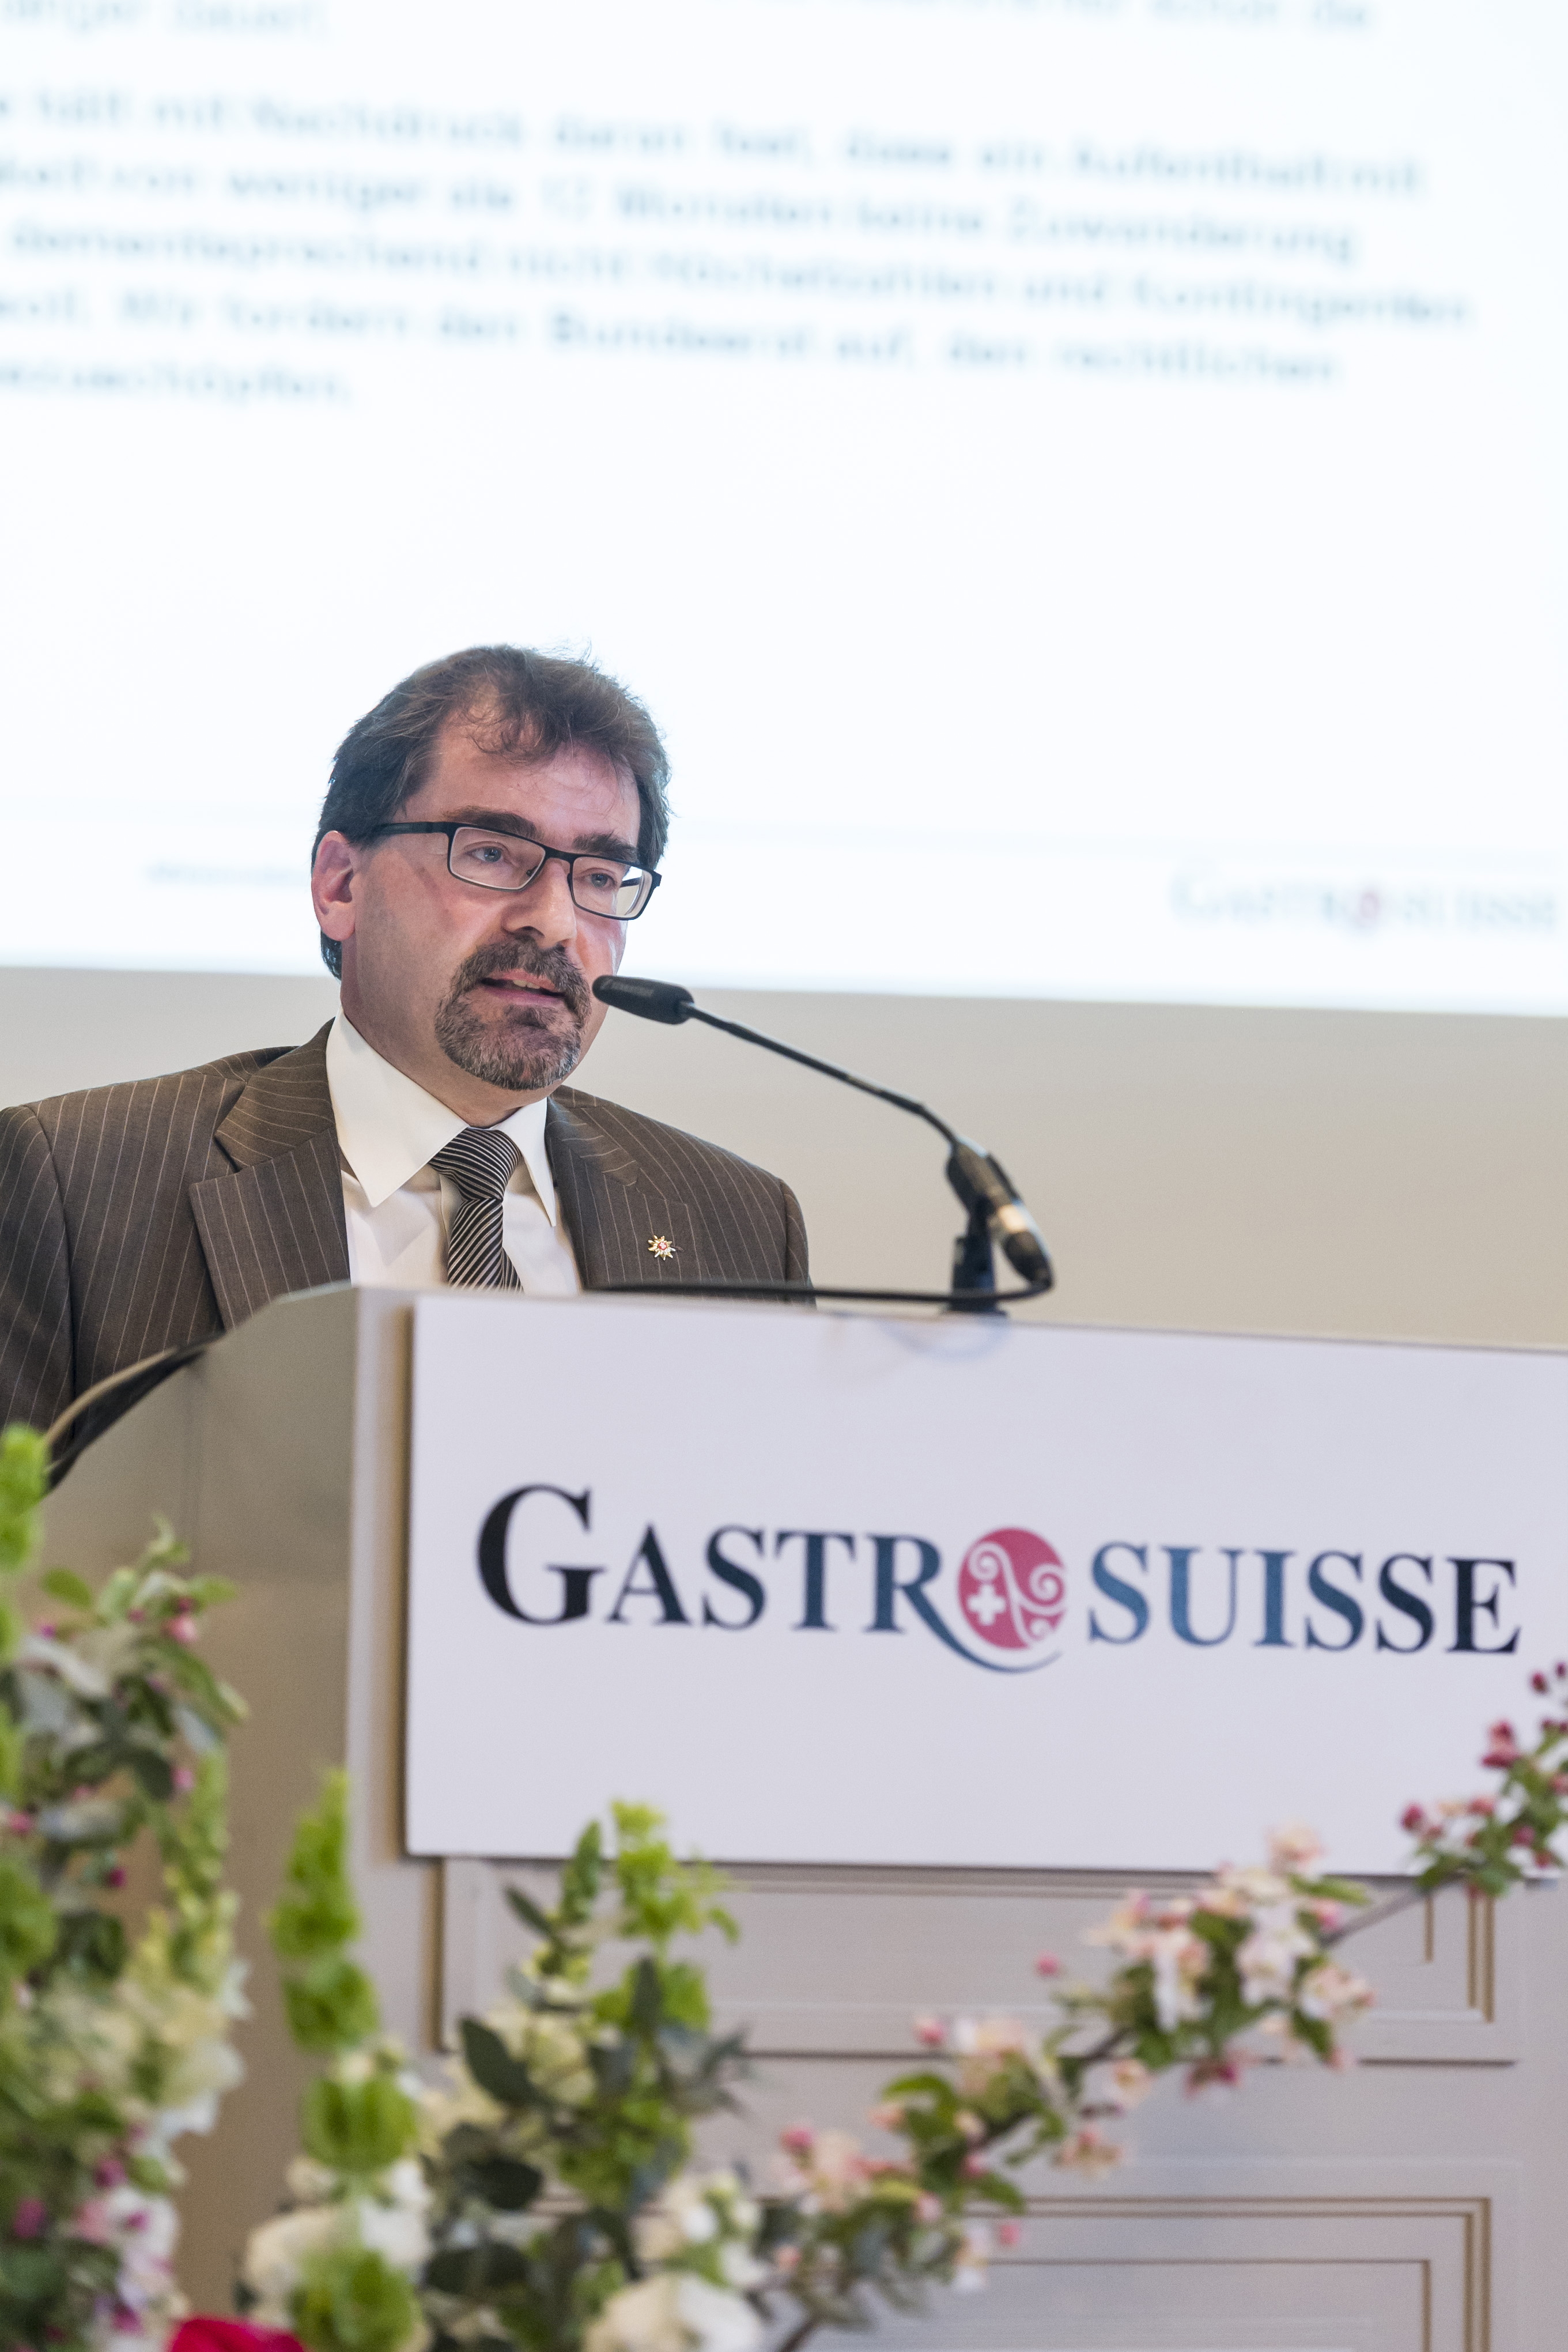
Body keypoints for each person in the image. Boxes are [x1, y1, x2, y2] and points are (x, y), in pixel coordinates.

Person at [0, 646, 808, 1449]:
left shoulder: (737, 1222)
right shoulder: (75, 1180)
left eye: (600, 876)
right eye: (491, 853)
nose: (555, 921)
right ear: (340, 886)